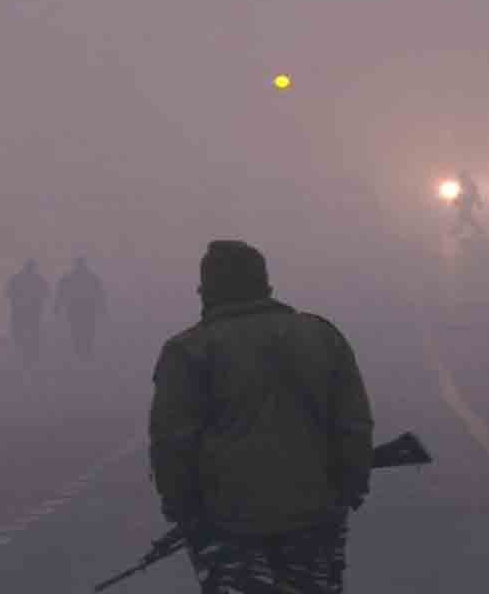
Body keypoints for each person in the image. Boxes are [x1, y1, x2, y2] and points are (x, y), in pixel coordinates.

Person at [149, 240, 374, 593]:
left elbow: (172, 443)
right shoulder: (320, 335)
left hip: (225, 520)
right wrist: (350, 488)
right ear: (264, 284)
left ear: (208, 290)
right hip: (315, 512)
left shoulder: (189, 350)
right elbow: (353, 423)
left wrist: (183, 511)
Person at [54, 256, 108, 361]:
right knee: (87, 329)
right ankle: (85, 349)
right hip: (87, 308)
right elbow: (99, 294)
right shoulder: (92, 278)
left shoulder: (70, 278)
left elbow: (61, 293)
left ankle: (81, 349)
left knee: (78, 329)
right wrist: (102, 308)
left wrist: (57, 306)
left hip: (76, 308)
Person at [5, 259, 49, 364]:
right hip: (33, 310)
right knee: (33, 331)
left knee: (19, 330)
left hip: (19, 310)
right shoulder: (38, 279)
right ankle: (31, 352)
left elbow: (8, 292)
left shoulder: (17, 278)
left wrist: (15, 300)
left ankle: (22, 349)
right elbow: (46, 292)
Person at [451, 169, 485, 238]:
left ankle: (456, 231)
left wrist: (479, 203)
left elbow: (475, 194)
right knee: (466, 217)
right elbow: (459, 194)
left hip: (467, 202)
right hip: (464, 203)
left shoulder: (471, 185)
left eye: (461, 177)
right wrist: (456, 200)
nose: (460, 179)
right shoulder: (462, 185)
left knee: (465, 217)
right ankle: (479, 230)